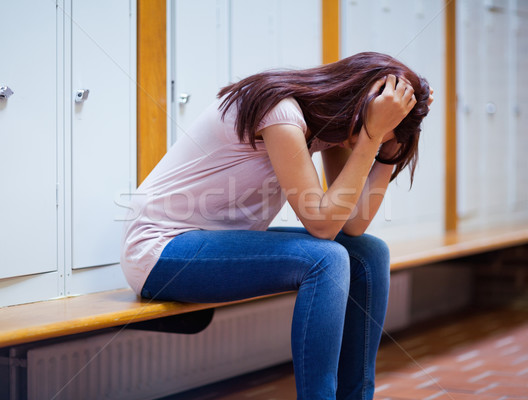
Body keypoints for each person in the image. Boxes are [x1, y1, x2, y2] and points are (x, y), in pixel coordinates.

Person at [121, 52, 433, 399]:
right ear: (357, 101)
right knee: (325, 258)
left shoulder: (330, 129)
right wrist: (371, 138)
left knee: (369, 253)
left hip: (216, 245)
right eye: (370, 126)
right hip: (161, 249)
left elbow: (354, 224)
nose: (365, 141)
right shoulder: (281, 112)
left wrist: (394, 141)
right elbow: (323, 226)